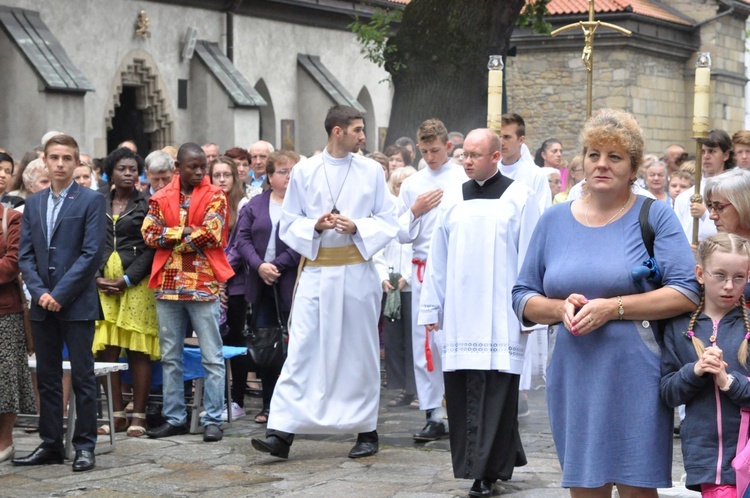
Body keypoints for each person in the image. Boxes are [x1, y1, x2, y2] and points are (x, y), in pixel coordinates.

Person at [512, 109, 699, 496]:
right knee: (585, 486)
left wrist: (613, 307)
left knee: (636, 487)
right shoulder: (554, 220)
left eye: (615, 157)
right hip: (573, 369)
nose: (601, 164)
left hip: (637, 369)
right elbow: (523, 295)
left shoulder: (655, 216)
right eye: (594, 154)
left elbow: (685, 291)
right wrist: (559, 309)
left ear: (633, 168)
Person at [250, 105, 398, 459]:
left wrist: (358, 226)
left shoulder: (370, 172)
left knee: (358, 352)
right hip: (316, 273)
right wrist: (314, 226)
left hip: (357, 273)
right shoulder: (305, 171)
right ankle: (282, 433)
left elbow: (388, 220)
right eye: (358, 130)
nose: (363, 136)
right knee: (302, 349)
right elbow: (289, 222)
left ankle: (366, 431)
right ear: (337, 131)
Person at [420, 128, 539, 498]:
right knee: (464, 392)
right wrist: (431, 304)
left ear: (495, 156)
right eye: (464, 155)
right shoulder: (453, 197)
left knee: (497, 393)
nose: (467, 161)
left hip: (502, 314)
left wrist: (528, 310)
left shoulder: (520, 196)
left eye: (475, 155)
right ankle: (495, 458)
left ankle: (485, 472)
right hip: (459, 312)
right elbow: (437, 255)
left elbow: (530, 256)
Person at [14, 134, 106, 472]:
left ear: (76, 162)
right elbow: (25, 255)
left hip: (77, 302)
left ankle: (84, 446)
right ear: (46, 161)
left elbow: (91, 253)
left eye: (67, 158)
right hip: (42, 303)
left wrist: (60, 293)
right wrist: (40, 293)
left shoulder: (91, 201)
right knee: (48, 378)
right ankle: (51, 443)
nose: (61, 164)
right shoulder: (35, 203)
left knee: (82, 377)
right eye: (55, 158)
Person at [141, 142, 234, 443]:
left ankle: (212, 419)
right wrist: (185, 232)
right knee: (170, 356)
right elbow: (148, 234)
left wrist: (173, 236)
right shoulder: (160, 197)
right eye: (192, 167)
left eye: (202, 167)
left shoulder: (216, 195)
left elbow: (213, 234)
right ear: (177, 168)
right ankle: (174, 418)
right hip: (167, 286)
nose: (199, 172)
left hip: (203, 284)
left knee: (211, 355)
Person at [661, 233, 750, 495]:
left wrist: (729, 382)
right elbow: (668, 392)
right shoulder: (678, 326)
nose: (729, 286)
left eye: (739, 277)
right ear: (700, 273)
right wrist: (695, 371)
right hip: (707, 462)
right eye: (719, 275)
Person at [395, 118, 467, 442]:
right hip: (423, 269)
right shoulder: (413, 183)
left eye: (435, 150)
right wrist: (415, 209)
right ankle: (433, 413)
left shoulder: (463, 178)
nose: (430, 157)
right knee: (425, 344)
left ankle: (458, 409)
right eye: (424, 151)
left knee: (450, 339)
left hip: (454, 269)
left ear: (448, 146)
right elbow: (400, 232)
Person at [92, 147, 157, 438]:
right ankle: (116, 415)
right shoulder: (97, 201)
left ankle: (138, 417)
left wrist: (128, 279)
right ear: (111, 173)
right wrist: (95, 276)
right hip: (104, 279)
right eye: (122, 169)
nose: (129, 173)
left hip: (136, 282)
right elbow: (90, 240)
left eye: (133, 169)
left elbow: (150, 247)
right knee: (109, 348)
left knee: (138, 348)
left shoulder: (147, 203)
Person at [234, 150, 301, 424]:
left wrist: (279, 265)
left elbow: (305, 241)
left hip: (291, 283)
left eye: (293, 172)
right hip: (261, 284)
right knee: (267, 344)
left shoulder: (302, 206)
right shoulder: (256, 204)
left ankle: (295, 405)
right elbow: (243, 238)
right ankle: (268, 404)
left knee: (295, 344)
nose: (289, 177)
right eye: (283, 172)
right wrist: (260, 265)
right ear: (270, 176)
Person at [375, 166, 417, 408]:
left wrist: (408, 277)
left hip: (411, 286)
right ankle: (403, 388)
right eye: (398, 185)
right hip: (391, 285)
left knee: (414, 339)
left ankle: (418, 386)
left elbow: (423, 249)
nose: (402, 190)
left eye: (407, 184)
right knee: (394, 339)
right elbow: (379, 248)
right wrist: (383, 276)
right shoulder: (388, 213)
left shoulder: (423, 212)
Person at [0, 203, 35, 463]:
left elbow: (13, 263)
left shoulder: (10, 218)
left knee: (5, 379)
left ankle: (5, 440)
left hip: (5, 311)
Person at [674, 129, 734, 244]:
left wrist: (705, 215)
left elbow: (735, 232)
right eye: (702, 152)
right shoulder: (684, 197)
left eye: (712, 151)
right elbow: (678, 234)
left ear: (726, 155)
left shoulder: (733, 192)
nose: (706, 156)